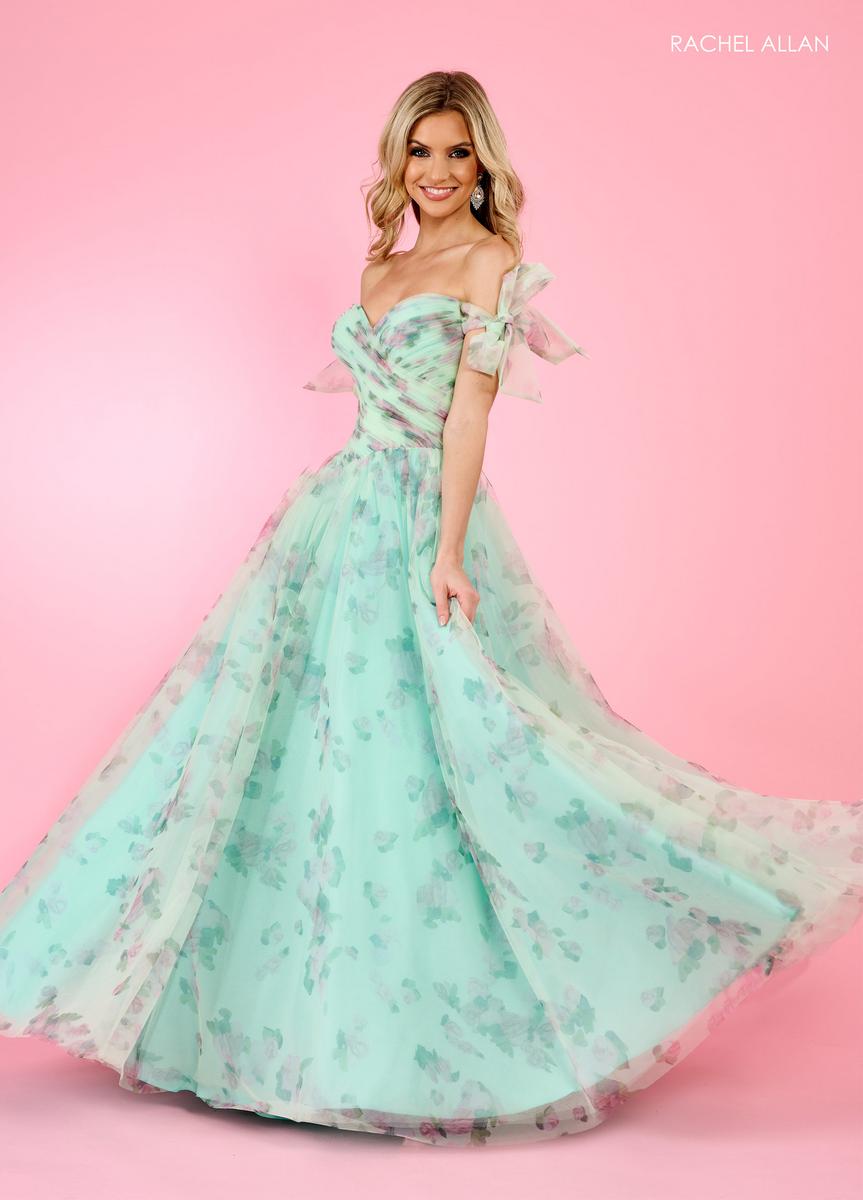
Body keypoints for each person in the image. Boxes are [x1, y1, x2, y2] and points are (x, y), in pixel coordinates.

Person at [0, 69, 861, 1150]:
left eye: (458, 152)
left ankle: (667, 921)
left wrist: (446, 550)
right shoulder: (381, 267)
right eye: (421, 151)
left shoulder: (491, 262)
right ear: (398, 161)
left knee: (475, 751)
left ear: (482, 163)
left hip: (420, 518)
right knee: (291, 756)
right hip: (333, 518)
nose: (439, 172)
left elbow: (468, 415)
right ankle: (280, 1032)